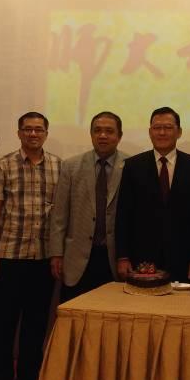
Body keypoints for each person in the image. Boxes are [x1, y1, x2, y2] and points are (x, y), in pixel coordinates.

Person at [0, 112, 62, 380]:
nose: (33, 134)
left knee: (36, 322)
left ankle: (28, 376)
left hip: (43, 257)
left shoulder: (58, 166)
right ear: (18, 133)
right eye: (27, 129)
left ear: (46, 133)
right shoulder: (3, 165)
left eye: (38, 129)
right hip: (9, 255)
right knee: (4, 323)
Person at [115, 106, 190, 282]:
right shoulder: (133, 166)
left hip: (182, 257)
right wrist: (122, 256)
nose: (162, 132)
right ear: (150, 132)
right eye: (157, 128)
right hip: (141, 256)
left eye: (168, 127)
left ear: (179, 132)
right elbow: (124, 213)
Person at [50, 112, 128, 303]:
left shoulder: (130, 166)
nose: (103, 135)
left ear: (119, 136)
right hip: (77, 258)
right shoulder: (71, 166)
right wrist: (56, 254)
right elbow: (59, 215)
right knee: (74, 314)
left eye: (109, 131)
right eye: (97, 130)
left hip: (114, 257)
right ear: (91, 134)